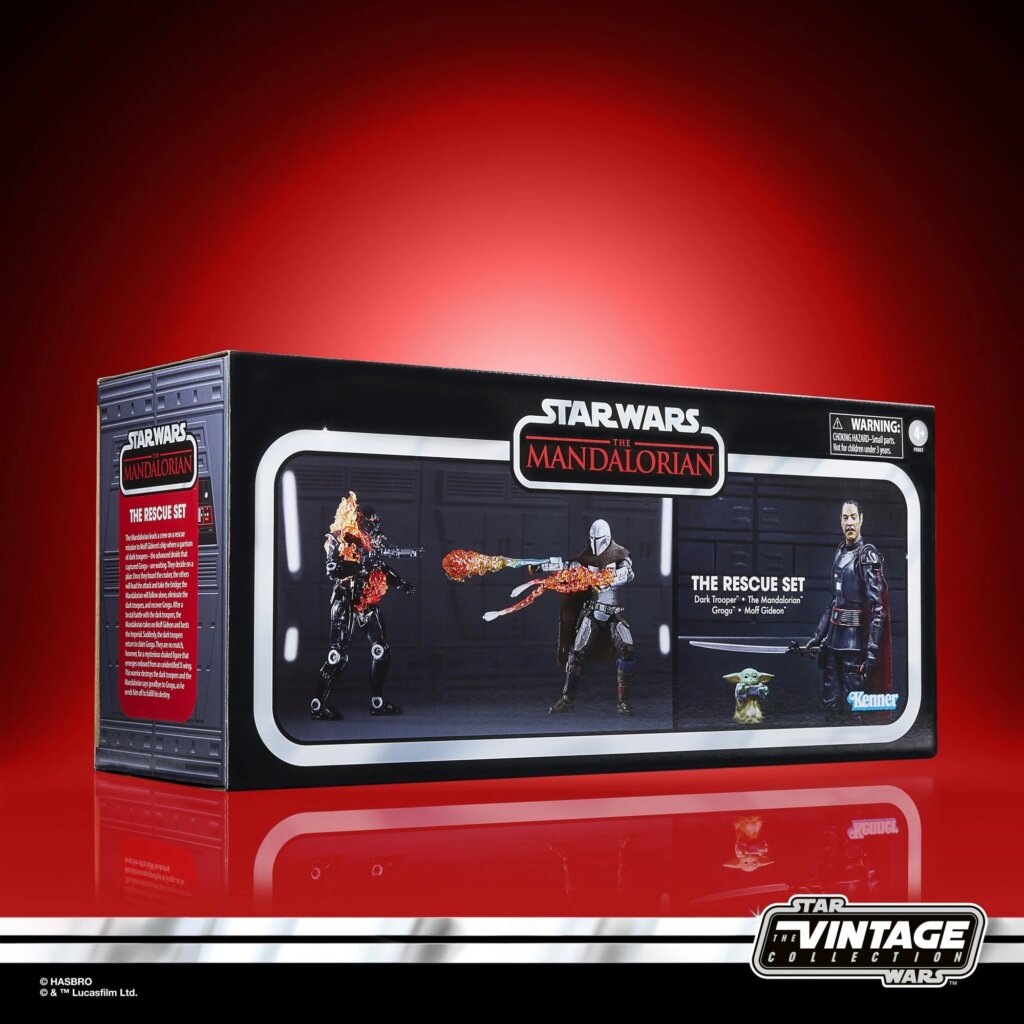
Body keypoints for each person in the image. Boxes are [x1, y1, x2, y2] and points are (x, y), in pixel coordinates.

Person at [311, 492, 417, 719]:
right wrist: (359, 567)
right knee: (337, 656)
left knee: (381, 649)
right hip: (344, 599)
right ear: (360, 521)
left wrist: (401, 583)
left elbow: (381, 567)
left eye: (376, 524)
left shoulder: (369, 544)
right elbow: (333, 570)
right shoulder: (341, 539)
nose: (375, 528)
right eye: (371, 523)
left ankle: (377, 703)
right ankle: (318, 706)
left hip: (365, 601)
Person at [803, 499, 891, 719]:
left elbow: (878, 608)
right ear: (840, 522)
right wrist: (817, 637)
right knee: (830, 700)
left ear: (861, 520)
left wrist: (871, 652)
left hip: (854, 643)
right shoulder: (841, 551)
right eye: (845, 518)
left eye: (853, 517)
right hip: (833, 641)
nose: (849, 522)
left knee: (855, 703)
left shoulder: (867, 555)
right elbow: (833, 601)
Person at [547, 519, 636, 716]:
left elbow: (629, 573)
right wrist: (556, 568)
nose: (596, 543)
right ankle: (567, 700)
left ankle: (623, 703)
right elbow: (570, 569)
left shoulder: (619, 554)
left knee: (627, 651)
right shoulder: (586, 557)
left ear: (607, 537)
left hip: (614, 611)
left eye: (599, 539)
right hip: (593, 611)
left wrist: (610, 579)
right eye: (593, 539)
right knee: (576, 653)